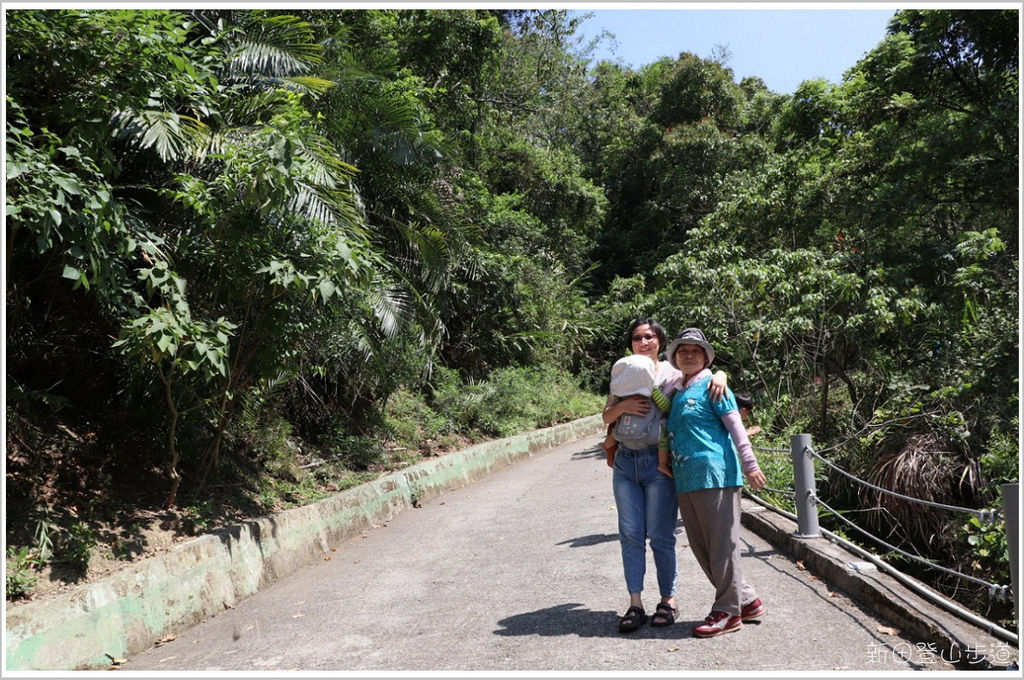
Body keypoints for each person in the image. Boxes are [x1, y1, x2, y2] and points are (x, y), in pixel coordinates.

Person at [602, 318, 727, 633]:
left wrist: (721, 374)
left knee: (661, 536)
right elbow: (606, 415)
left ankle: (667, 600)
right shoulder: (626, 371)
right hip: (626, 464)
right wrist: (624, 406)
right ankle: (635, 603)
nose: (643, 342)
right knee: (630, 534)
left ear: (659, 341)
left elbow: (703, 378)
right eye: (636, 337)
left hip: (659, 465)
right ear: (631, 343)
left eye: (649, 336)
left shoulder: (674, 374)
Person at [659, 328, 767, 638]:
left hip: (716, 475)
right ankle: (747, 601)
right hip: (685, 479)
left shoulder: (714, 387)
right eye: (683, 351)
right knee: (702, 547)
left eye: (696, 350)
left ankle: (727, 613)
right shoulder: (676, 390)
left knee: (722, 547)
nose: (689, 354)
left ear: (706, 357)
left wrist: (751, 465)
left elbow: (737, 428)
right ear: (676, 358)